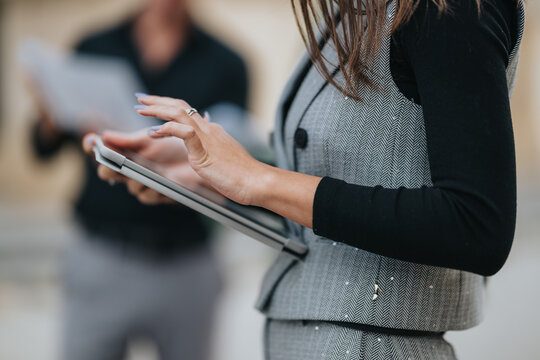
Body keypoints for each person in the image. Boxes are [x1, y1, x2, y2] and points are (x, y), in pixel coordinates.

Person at [83, 0, 524, 358]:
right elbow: (327, 173)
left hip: (374, 345)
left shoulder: (452, 11)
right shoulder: (350, 12)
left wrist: (258, 178)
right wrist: (200, 177)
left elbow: (476, 223)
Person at [31, 1, 248, 359]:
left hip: (188, 262)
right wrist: (52, 115)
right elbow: (43, 149)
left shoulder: (227, 63)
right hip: (102, 255)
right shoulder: (94, 46)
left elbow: (232, 161)